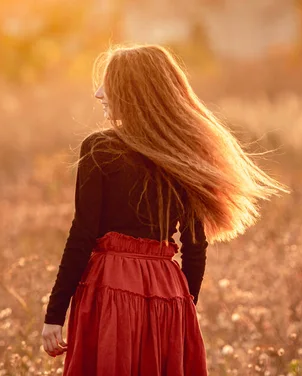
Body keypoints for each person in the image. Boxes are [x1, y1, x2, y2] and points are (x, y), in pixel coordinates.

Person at [41, 44, 288, 375]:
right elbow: (195, 247)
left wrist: (55, 314)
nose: (99, 93)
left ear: (132, 91)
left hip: (110, 288)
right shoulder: (182, 153)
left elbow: (82, 234)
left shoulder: (100, 147)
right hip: (168, 291)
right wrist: (182, 306)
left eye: (108, 83)